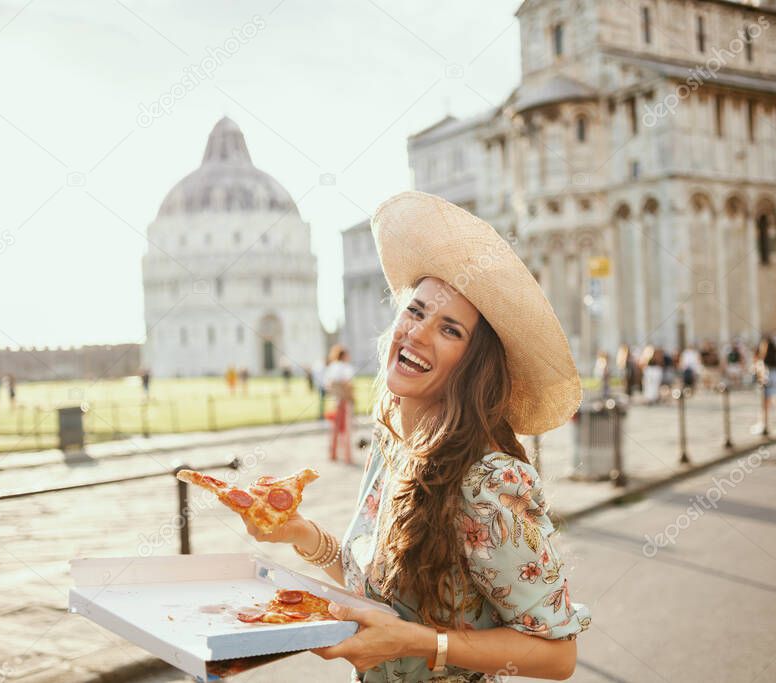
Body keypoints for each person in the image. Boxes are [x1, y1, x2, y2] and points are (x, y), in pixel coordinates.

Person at [231, 192, 589, 681]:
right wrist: (298, 533)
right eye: (416, 311)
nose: (417, 333)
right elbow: (378, 590)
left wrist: (420, 644)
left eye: (450, 330)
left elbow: (556, 654)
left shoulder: (487, 483)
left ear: (473, 365)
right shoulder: (394, 443)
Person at [322, 344, 356, 465]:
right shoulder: (346, 368)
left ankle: (333, 454)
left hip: (333, 400)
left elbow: (327, 384)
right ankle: (347, 457)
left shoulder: (331, 367)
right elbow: (348, 383)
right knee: (346, 429)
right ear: (344, 356)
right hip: (344, 400)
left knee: (334, 429)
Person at [752, 336, 776, 436]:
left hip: (768, 383)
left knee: (765, 407)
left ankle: (763, 425)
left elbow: (760, 373)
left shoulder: (762, 359)